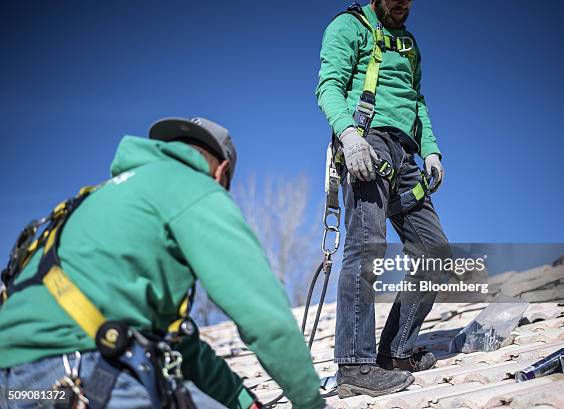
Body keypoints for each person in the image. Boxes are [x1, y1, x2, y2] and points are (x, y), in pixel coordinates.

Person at [0, 117, 326, 409]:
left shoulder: (98, 198)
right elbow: (264, 317)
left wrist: (243, 402)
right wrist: (310, 403)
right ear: (221, 172)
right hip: (81, 371)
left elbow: (179, 343)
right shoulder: (196, 187)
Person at [315, 0, 450, 398]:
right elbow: (328, 87)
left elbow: (417, 100)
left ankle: (395, 351)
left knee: (436, 252)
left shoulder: (409, 45)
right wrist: (349, 137)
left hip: (405, 157)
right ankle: (355, 365)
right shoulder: (348, 27)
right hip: (368, 143)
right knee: (366, 249)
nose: (403, 5)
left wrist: (431, 150)